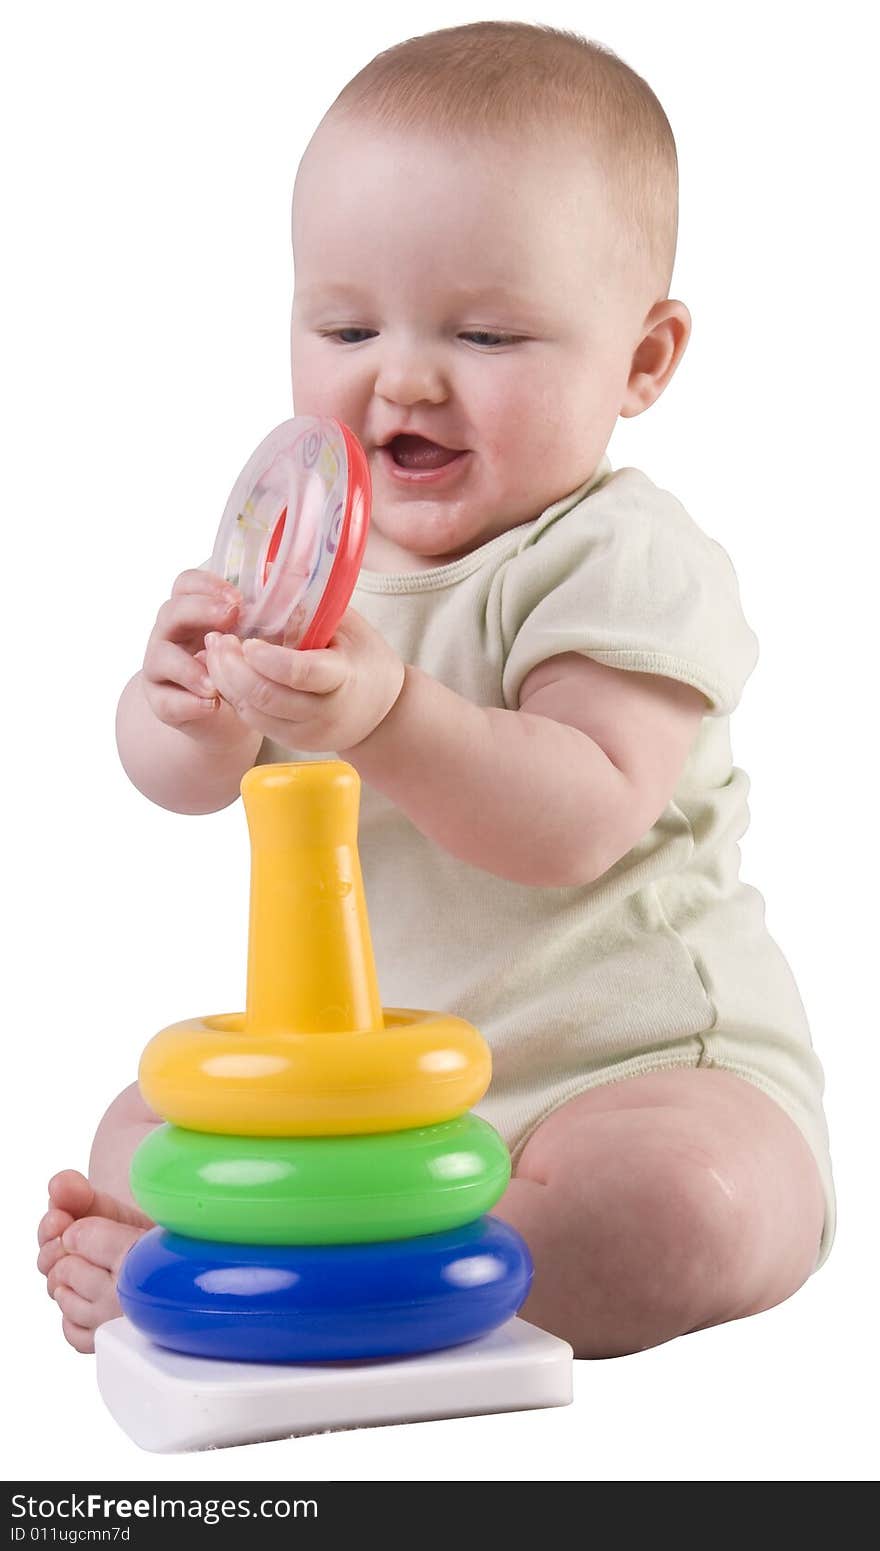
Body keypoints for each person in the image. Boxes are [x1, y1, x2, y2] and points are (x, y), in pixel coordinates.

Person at [37, 21, 833, 1359]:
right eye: (346, 324)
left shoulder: (616, 553)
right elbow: (181, 783)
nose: (402, 375)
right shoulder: (298, 565)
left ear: (643, 362)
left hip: (625, 1082)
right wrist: (179, 701)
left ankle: (272, 1304)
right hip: (374, 1105)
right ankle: (329, 1293)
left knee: (691, 1206)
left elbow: (578, 815)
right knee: (139, 1126)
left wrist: (383, 713)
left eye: (484, 332)